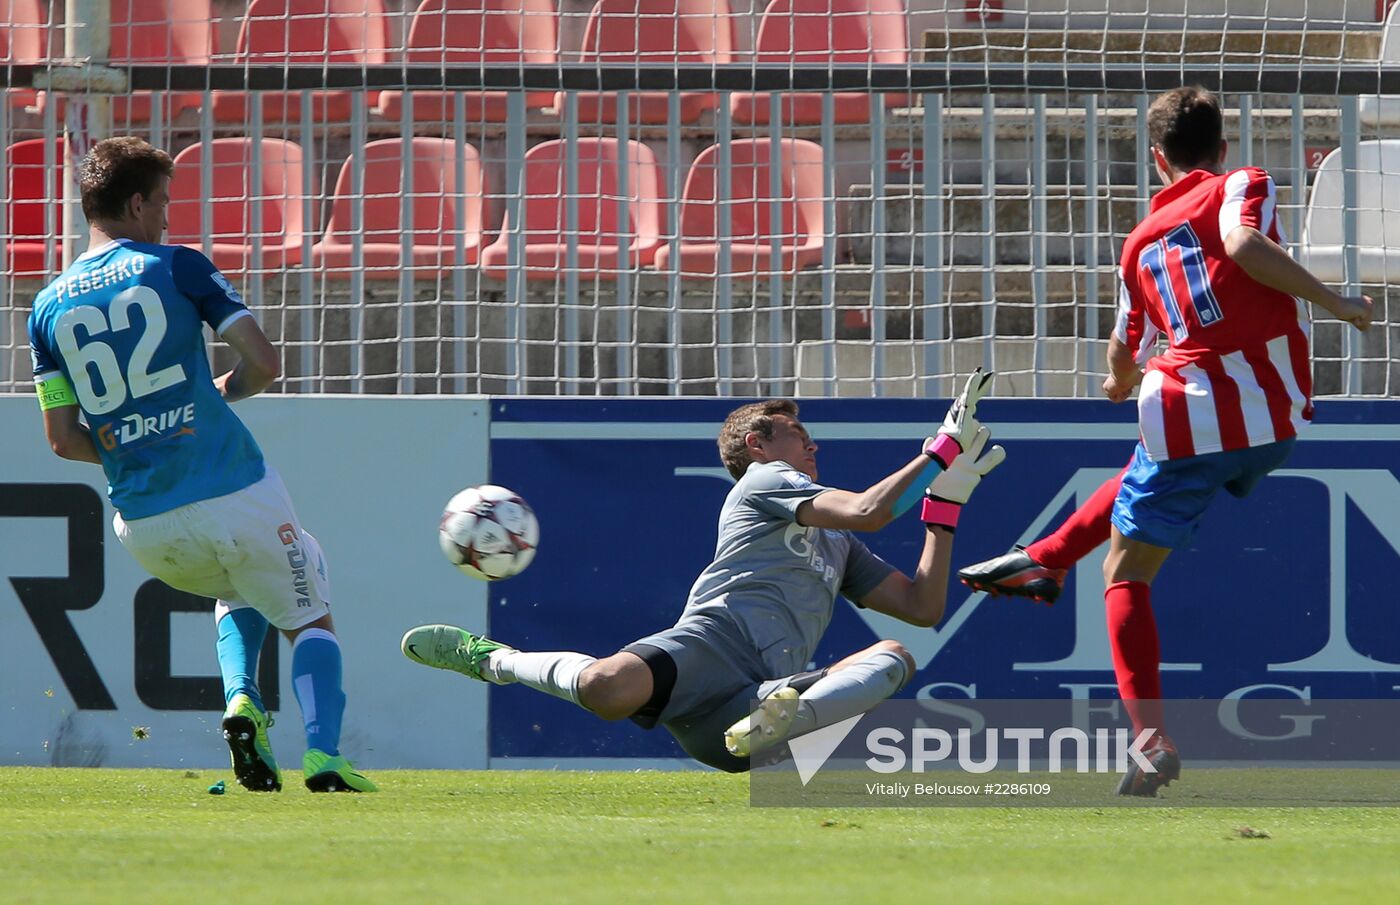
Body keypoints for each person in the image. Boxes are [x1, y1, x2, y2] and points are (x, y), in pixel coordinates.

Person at [958, 86, 1373, 796]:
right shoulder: (1243, 181)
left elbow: (1127, 345)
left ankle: (1148, 741)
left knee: (1124, 573)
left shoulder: (1140, 243)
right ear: (1222, 147)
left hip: (1188, 413)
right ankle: (1042, 558)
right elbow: (1240, 241)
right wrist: (1337, 304)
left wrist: (1119, 382)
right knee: (1151, 464)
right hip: (1278, 417)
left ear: (1157, 159)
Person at [402, 372, 1005, 771]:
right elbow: (870, 510)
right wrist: (939, 451)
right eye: (799, 435)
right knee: (606, 690)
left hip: (756, 701)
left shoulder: (837, 544)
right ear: (757, 446)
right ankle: (493, 660)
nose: (812, 446)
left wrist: (944, 506)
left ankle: (780, 720)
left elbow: (923, 607)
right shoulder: (764, 481)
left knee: (896, 655)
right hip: (711, 647)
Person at [27, 137, 376, 793]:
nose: (166, 218)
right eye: (162, 203)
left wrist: (131, 441)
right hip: (232, 490)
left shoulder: (45, 308)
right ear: (136, 203)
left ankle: (242, 700)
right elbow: (264, 363)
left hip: (145, 527)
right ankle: (325, 756)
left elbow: (64, 441)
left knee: (241, 588)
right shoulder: (178, 267)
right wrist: (220, 393)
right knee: (308, 605)